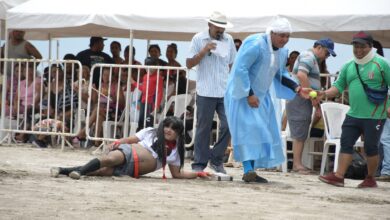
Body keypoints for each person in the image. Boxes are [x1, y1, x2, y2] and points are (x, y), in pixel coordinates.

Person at [224, 17, 311, 183]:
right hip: (241, 93)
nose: (285, 40)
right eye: (281, 36)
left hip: (262, 96)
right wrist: (248, 94)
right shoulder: (255, 44)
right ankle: (248, 169)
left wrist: (297, 88)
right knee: (250, 129)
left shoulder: (282, 51)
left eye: (287, 36)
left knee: (263, 132)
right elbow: (241, 68)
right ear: (272, 33)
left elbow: (280, 75)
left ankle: (251, 171)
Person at [318, 31, 390, 188]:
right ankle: (338, 176)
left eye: (362, 47)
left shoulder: (382, 63)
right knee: (346, 143)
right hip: (353, 114)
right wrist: (323, 94)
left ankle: (370, 178)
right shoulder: (348, 65)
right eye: (355, 46)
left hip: (375, 115)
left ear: (370, 47)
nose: (358, 50)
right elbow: (338, 87)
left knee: (371, 147)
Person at [50, 116, 212, 180]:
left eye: (173, 129)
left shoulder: (176, 151)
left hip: (131, 171)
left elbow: (177, 174)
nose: (168, 130)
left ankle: (63, 170)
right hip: (129, 152)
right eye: (166, 126)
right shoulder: (150, 132)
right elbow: (131, 139)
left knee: (102, 172)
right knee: (110, 159)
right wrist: (118, 142)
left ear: (178, 134)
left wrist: (197, 173)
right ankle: (78, 172)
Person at [186, 11, 236, 174]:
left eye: (223, 28)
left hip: (224, 90)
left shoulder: (228, 40)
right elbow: (188, 63)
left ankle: (216, 159)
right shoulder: (198, 38)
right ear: (209, 25)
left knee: (229, 125)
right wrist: (203, 51)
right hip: (206, 90)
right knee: (203, 128)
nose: (220, 31)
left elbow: (232, 64)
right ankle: (199, 164)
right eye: (218, 28)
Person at [286, 38, 336, 174]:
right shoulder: (308, 56)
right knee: (299, 131)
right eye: (327, 53)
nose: (327, 56)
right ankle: (297, 164)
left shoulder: (310, 57)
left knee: (301, 130)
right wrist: (312, 96)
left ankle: (298, 163)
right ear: (319, 47)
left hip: (301, 97)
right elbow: (302, 75)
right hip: (300, 97)